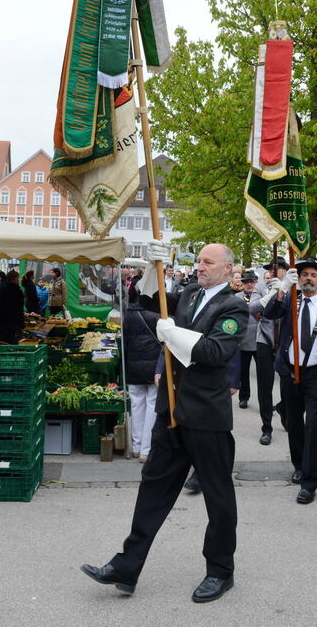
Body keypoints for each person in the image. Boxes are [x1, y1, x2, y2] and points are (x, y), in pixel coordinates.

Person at [81, 242, 248, 603]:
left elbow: (214, 352)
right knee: (153, 490)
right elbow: (149, 302)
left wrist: (172, 334)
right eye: (199, 260)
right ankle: (127, 565)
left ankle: (221, 571)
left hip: (206, 417)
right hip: (172, 412)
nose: (200, 266)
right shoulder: (189, 294)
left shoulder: (234, 306)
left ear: (226, 269)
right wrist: (153, 265)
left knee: (218, 497)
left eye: (208, 262)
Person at [264, 258, 317, 503]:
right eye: (304, 275)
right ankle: (299, 465)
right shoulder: (290, 301)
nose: (308, 278)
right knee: (294, 423)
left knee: (313, 424)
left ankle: (310, 482)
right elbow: (268, 314)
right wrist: (281, 289)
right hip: (290, 372)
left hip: (315, 375)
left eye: (313, 275)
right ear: (298, 279)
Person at [248, 256, 289, 442]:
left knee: (289, 385)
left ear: (285, 270)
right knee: (265, 386)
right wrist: (272, 293)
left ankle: (284, 410)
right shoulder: (261, 287)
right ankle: (267, 428)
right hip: (265, 340)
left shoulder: (292, 286)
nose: (273, 272)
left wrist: (284, 289)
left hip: (286, 342)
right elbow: (252, 308)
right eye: (270, 269)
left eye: (277, 268)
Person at [123, 287, 162, 463]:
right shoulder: (157, 315)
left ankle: (137, 447)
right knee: (152, 406)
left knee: (137, 405)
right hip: (153, 367)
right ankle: (146, 449)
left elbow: (124, 343)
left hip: (133, 365)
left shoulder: (127, 315)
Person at [236, 270, 259, 410]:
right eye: (246, 282)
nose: (249, 284)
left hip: (259, 339)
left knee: (263, 374)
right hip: (243, 339)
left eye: (251, 281)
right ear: (242, 284)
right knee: (243, 372)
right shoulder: (237, 297)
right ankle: (243, 397)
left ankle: (265, 400)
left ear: (256, 282)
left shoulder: (261, 295)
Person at [0, 269, 25, 343]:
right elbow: (19, 309)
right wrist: (22, 324)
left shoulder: (0, 291)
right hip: (15, 323)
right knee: (14, 346)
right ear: (13, 279)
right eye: (18, 278)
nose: (19, 280)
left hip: (2, 323)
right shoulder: (18, 292)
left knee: (3, 344)